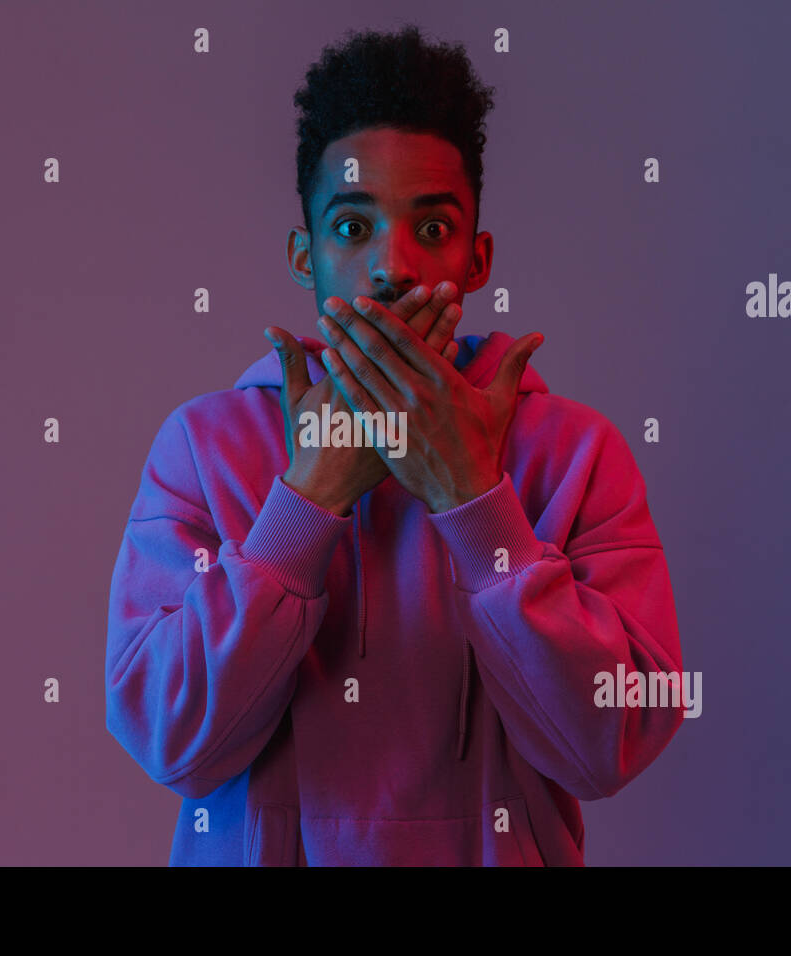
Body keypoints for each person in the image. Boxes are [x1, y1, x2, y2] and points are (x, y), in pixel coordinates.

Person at [105, 23, 683, 866]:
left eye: (434, 228)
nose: (393, 265)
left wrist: (475, 503)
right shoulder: (202, 447)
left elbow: (609, 745)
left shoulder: (577, 454)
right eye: (351, 227)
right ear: (305, 256)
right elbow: (172, 741)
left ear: (478, 259)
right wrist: (303, 507)